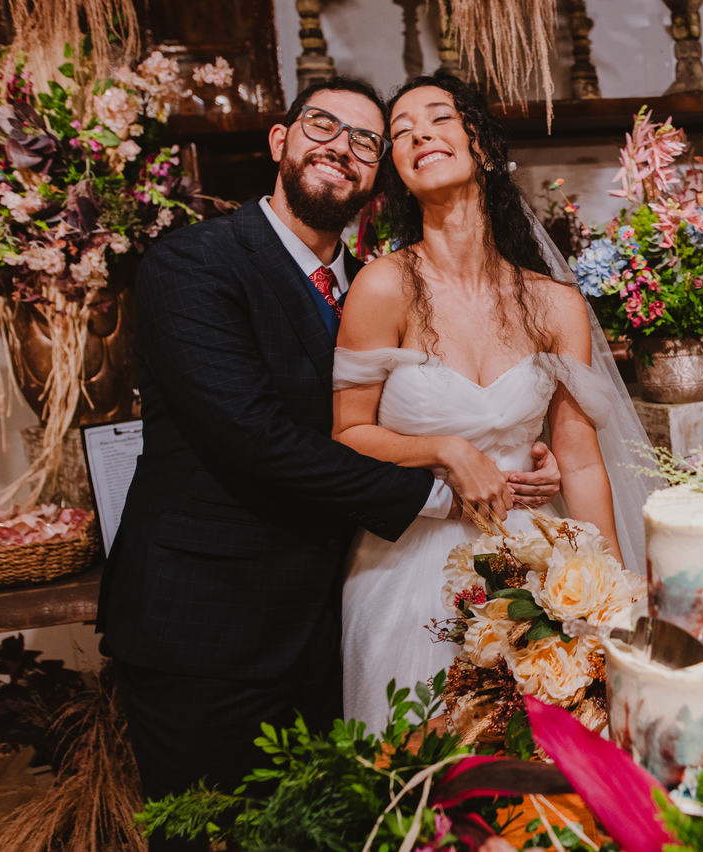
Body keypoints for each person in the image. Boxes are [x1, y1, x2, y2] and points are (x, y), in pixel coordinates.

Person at [97, 76, 559, 851]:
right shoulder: (196, 264)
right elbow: (253, 438)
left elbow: (393, 414)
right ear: (279, 142)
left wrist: (511, 448)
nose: (340, 149)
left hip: (334, 615)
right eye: (321, 126)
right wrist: (452, 483)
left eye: (364, 142)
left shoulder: (372, 286)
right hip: (209, 627)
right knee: (210, 836)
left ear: (376, 177)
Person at [333, 74, 652, 726]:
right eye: (400, 130)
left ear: (478, 142)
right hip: (408, 568)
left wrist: (615, 598)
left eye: (438, 117)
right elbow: (346, 433)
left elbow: (580, 460)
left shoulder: (554, 303)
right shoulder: (382, 287)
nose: (418, 132)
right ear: (395, 167)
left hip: (536, 567)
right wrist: (446, 450)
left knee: (543, 775)